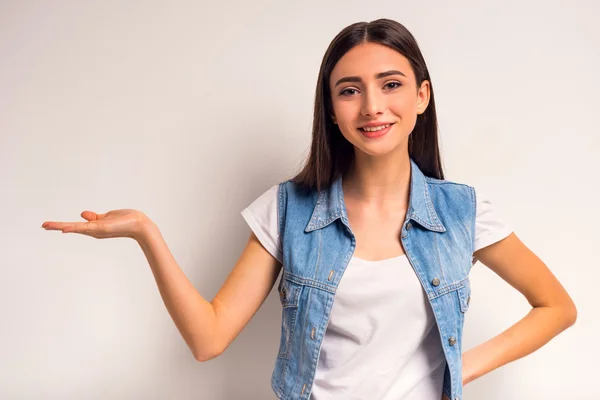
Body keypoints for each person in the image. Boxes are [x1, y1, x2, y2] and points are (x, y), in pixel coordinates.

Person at [42, 18, 577, 400]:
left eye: (390, 85)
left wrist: (458, 370)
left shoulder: (463, 211)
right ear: (332, 111)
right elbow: (208, 339)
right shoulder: (287, 210)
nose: (371, 106)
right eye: (350, 91)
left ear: (421, 96)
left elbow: (556, 307)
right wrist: (147, 233)